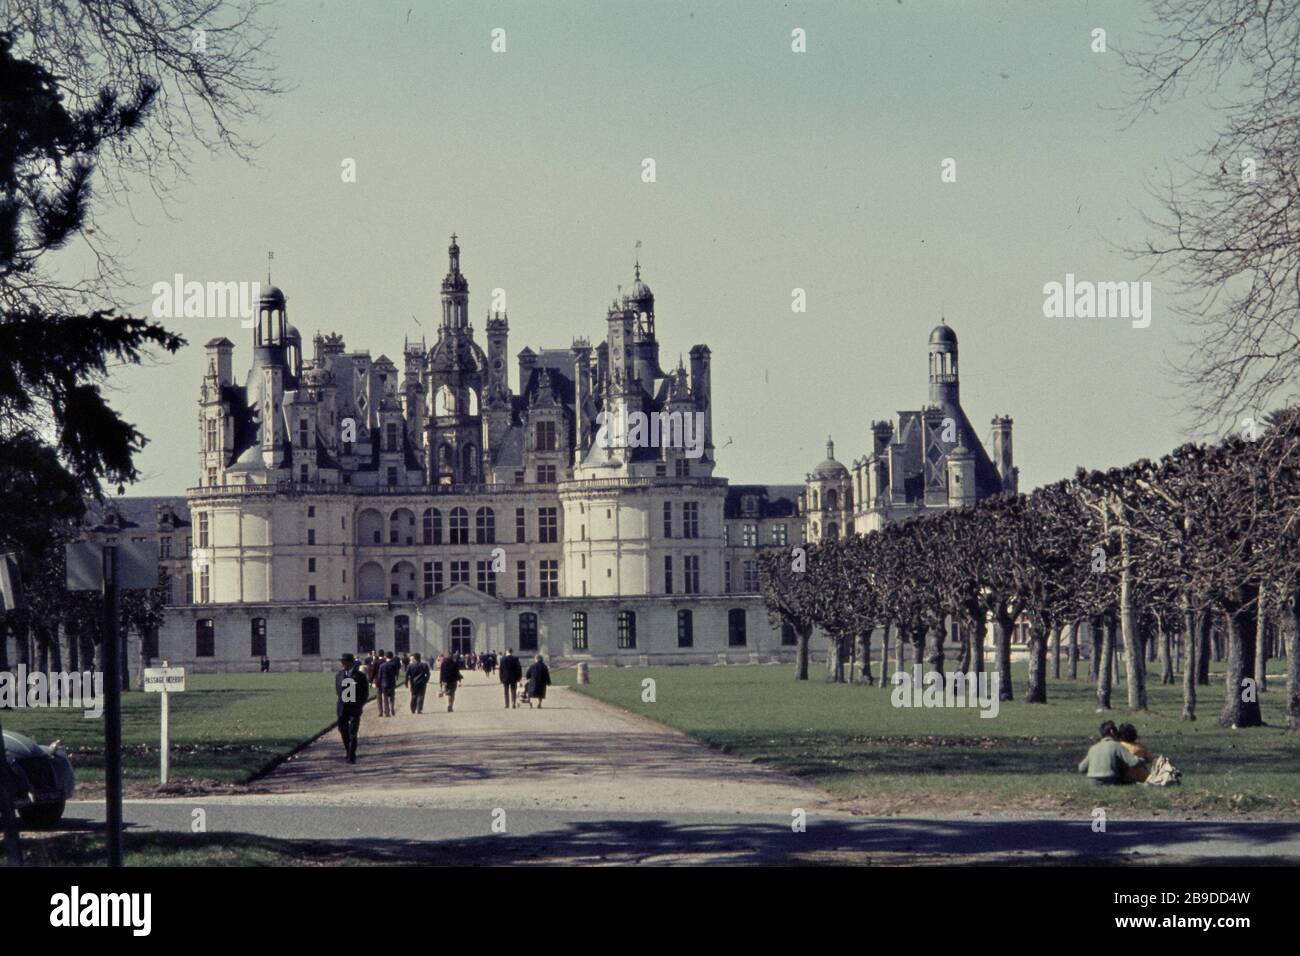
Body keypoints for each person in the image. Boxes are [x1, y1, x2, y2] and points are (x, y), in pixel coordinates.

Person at [1077, 720, 1146, 785]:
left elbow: (1081, 768)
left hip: (1093, 781)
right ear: (1112, 731)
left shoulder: (1093, 748)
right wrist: (1143, 759)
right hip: (1111, 779)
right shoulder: (1116, 746)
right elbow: (1133, 762)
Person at [335, 653, 370, 764]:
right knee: (343, 730)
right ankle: (348, 751)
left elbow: (365, 693)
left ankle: (351, 755)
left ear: (350, 662)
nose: (342, 664)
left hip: (354, 707)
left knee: (353, 732)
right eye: (342, 662)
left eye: (344, 662)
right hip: (342, 707)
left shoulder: (360, 676)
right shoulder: (339, 675)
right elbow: (338, 690)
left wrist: (360, 704)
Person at [378, 651, 401, 717]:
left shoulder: (382, 665)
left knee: (385, 698)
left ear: (386, 657)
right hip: (392, 683)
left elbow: (380, 676)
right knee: (392, 697)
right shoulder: (394, 665)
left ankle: (387, 712)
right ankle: (392, 708)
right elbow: (396, 674)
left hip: (384, 683)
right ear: (392, 657)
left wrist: (379, 683)